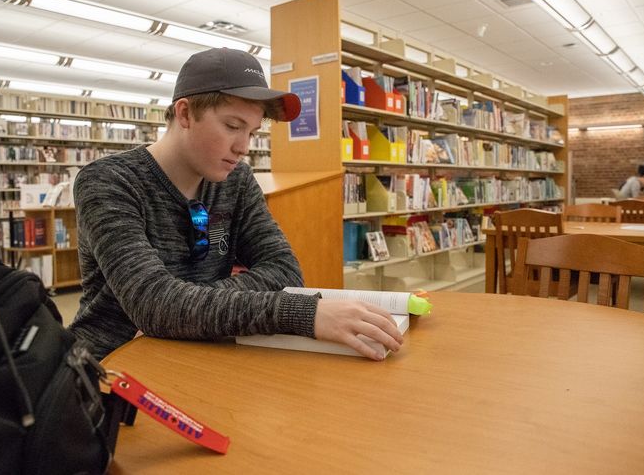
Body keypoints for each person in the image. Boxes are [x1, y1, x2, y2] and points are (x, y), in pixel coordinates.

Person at [69, 48, 402, 361]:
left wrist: (183, 307)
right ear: (185, 113)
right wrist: (304, 313)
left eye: (253, 132)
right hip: (111, 366)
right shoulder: (108, 182)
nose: (243, 147)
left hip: (203, 354)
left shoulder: (237, 181)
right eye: (232, 126)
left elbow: (284, 270)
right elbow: (153, 304)